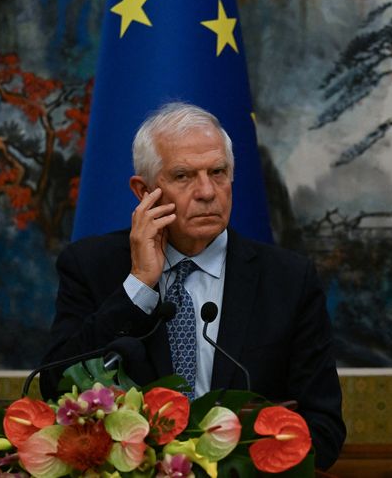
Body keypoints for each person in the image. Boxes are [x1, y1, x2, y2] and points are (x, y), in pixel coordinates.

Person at [40, 102, 345, 470]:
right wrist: (138, 285)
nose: (206, 191)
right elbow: (56, 388)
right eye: (184, 176)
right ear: (143, 191)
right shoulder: (92, 266)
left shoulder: (288, 280)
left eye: (218, 172)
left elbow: (324, 427)